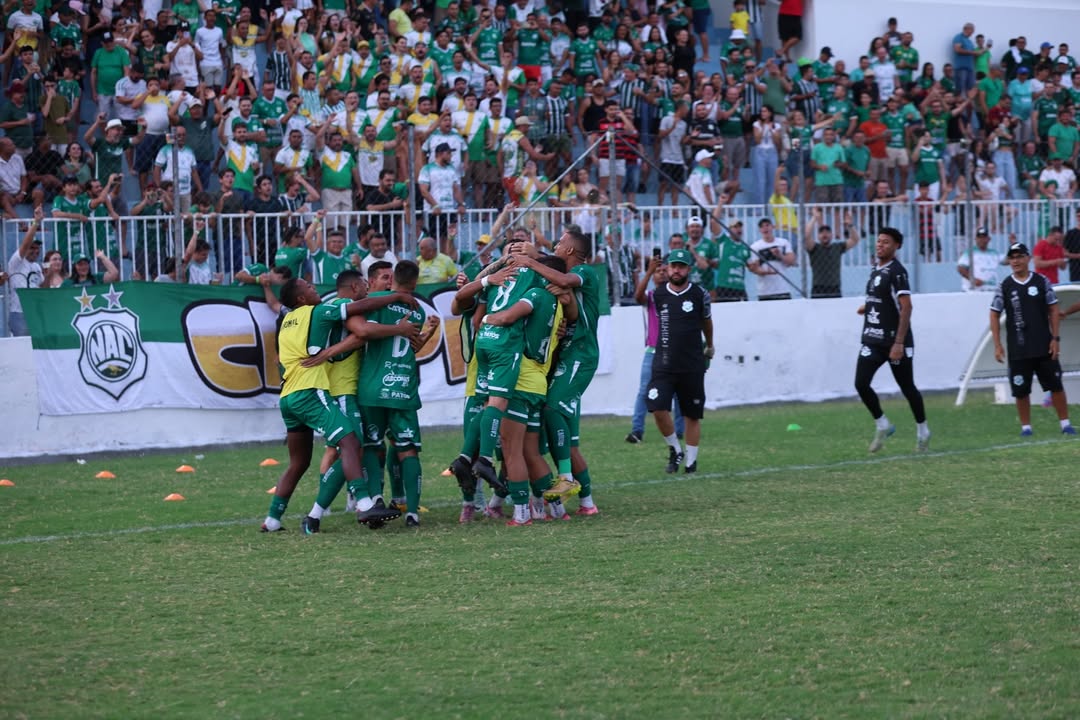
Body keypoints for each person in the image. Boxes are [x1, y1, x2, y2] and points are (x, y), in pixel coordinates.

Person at [261, 277, 411, 533]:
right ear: (301, 299)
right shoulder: (318, 312)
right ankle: (363, 504)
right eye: (309, 287)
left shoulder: (287, 319)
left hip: (287, 396)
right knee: (351, 443)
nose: (315, 288)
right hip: (310, 391)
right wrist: (397, 298)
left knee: (299, 462)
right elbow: (360, 321)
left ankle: (273, 520)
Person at [511, 227, 602, 514]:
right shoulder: (560, 277)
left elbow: (563, 279)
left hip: (580, 355)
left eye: (560, 243)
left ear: (571, 250)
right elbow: (563, 291)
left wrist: (531, 259)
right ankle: (586, 503)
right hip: (561, 355)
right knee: (563, 435)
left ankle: (565, 479)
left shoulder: (585, 272)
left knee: (552, 411)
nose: (556, 246)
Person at [854, 227, 931, 454]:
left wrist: (899, 343)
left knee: (907, 387)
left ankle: (923, 430)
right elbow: (883, 298)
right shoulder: (875, 269)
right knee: (861, 383)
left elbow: (906, 307)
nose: (880, 245)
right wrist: (868, 306)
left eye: (886, 242)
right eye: (879, 241)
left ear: (897, 246)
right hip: (873, 338)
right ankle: (882, 424)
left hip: (895, 342)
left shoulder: (897, 272)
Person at [990, 242, 1075, 437]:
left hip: (1044, 345)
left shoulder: (1041, 281)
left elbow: (1053, 308)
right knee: (1021, 390)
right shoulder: (1004, 286)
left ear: (1028, 258)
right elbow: (994, 314)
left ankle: (1065, 424)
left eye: (1019, 256)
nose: (1016, 261)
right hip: (1018, 348)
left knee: (1055, 385)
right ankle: (1026, 428)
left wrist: (1055, 338)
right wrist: (997, 345)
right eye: (1012, 258)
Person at [646, 248, 713, 474]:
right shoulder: (658, 294)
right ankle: (675, 449)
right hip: (663, 363)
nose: (676, 270)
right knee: (656, 406)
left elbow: (706, 322)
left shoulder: (699, 293)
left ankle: (691, 462)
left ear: (688, 269)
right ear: (668, 268)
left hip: (692, 363)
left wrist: (710, 345)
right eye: (673, 266)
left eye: (681, 266)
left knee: (691, 414)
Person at [628, 252, 685, 444]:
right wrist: (648, 271)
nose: (660, 273)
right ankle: (637, 431)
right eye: (657, 271)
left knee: (678, 392)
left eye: (663, 270)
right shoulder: (651, 297)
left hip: (675, 351)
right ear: (652, 276)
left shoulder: (678, 296)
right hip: (653, 351)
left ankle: (679, 431)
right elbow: (637, 296)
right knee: (644, 390)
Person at [5, 207, 44, 336]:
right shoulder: (16, 262)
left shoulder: (37, 267)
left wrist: (50, 273)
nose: (36, 251)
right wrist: (36, 222)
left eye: (38, 248)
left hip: (35, 312)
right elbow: (25, 244)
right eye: (32, 248)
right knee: (22, 345)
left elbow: (42, 287)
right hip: (19, 313)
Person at [804, 207, 859, 298]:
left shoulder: (837, 247)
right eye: (822, 232)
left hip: (834, 288)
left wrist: (850, 226)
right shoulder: (814, 248)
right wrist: (814, 218)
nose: (825, 234)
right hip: (818, 288)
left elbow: (855, 240)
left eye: (827, 232)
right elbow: (806, 236)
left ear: (832, 235)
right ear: (818, 236)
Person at [748, 217, 796, 300]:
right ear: (759, 230)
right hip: (764, 291)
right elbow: (755, 268)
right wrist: (765, 272)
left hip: (783, 289)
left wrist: (780, 255)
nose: (765, 228)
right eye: (762, 226)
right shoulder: (755, 247)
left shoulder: (783, 242)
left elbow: (792, 261)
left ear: (772, 227)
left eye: (767, 225)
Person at [957, 227, 1004, 292]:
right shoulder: (970, 252)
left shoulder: (994, 253)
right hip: (973, 291)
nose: (981, 240)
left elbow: (1006, 261)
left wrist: (1013, 244)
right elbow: (961, 268)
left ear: (989, 239)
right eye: (979, 237)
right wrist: (973, 280)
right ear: (975, 239)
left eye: (984, 237)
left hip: (991, 290)